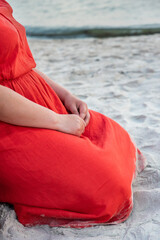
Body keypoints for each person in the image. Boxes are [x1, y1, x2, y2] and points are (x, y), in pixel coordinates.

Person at [0, 0, 146, 228]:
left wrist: (65, 95)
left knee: (113, 135)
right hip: (9, 122)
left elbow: (20, 63)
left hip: (35, 104)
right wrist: (58, 121)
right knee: (105, 187)